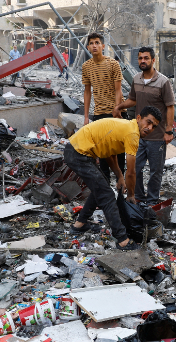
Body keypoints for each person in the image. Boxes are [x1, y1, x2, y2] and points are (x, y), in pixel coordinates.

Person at [64, 106, 162, 250]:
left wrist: (119, 177)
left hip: (80, 152)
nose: (149, 127)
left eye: (153, 126)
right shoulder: (132, 134)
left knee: (100, 188)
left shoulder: (128, 128)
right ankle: (122, 240)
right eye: (148, 122)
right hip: (78, 153)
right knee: (107, 194)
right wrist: (131, 195)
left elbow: (110, 154)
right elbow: (132, 172)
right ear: (139, 118)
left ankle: (79, 225)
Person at [114, 47, 175, 205]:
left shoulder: (163, 82)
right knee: (135, 168)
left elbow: (170, 106)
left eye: (146, 58)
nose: (143, 61)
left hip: (157, 136)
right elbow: (133, 100)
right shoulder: (136, 79)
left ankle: (152, 200)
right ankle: (139, 196)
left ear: (153, 60)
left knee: (156, 171)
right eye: (140, 58)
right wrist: (119, 107)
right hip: (138, 135)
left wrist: (169, 130)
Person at [82, 32, 125, 181]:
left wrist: (118, 108)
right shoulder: (86, 66)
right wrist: (86, 117)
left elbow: (118, 89)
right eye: (92, 43)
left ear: (103, 46)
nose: (94, 46)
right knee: (103, 153)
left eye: (97, 43)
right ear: (88, 47)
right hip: (99, 113)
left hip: (117, 112)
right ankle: (106, 186)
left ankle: (121, 184)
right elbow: (87, 92)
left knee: (119, 151)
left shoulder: (113, 64)